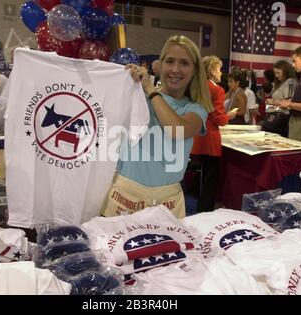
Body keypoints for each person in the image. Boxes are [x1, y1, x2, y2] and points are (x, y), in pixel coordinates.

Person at [101, 35, 213, 218]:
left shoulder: (195, 109)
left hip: (167, 203)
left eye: (184, 63)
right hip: (124, 196)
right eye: (170, 61)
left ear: (194, 70)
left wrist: (152, 91)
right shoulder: (137, 95)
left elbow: (177, 130)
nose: (175, 69)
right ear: (160, 65)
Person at [191, 55, 237, 212]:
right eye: (219, 69)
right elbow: (218, 118)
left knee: (203, 174)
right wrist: (228, 116)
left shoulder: (195, 86)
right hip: (209, 139)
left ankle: (199, 205)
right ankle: (205, 209)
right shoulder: (217, 90)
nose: (221, 73)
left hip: (196, 136)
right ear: (211, 71)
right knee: (211, 178)